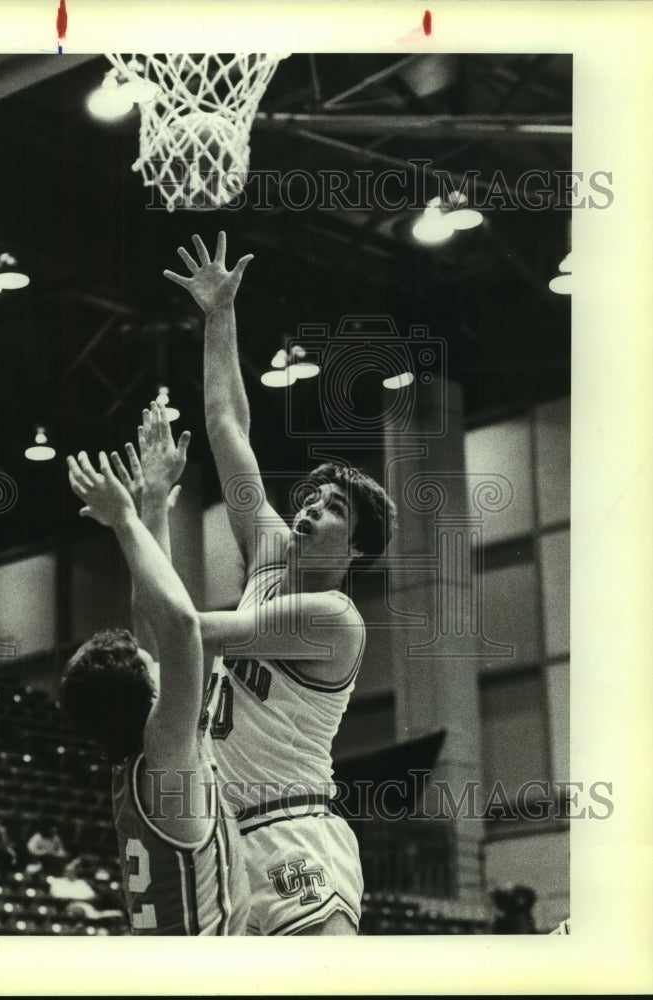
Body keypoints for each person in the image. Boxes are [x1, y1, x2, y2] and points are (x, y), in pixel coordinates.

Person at [164, 232, 397, 936]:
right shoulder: (269, 556)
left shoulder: (332, 617)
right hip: (226, 834)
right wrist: (219, 316)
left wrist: (138, 526)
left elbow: (191, 631)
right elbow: (229, 426)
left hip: (292, 828)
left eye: (333, 510)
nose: (310, 508)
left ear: (354, 549)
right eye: (312, 498)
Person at [59, 425, 249, 936]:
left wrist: (154, 507)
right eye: (148, 665)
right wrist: (125, 519)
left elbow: (156, 625)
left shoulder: (146, 761)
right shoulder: (167, 756)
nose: (157, 661)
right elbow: (181, 627)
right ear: (147, 697)